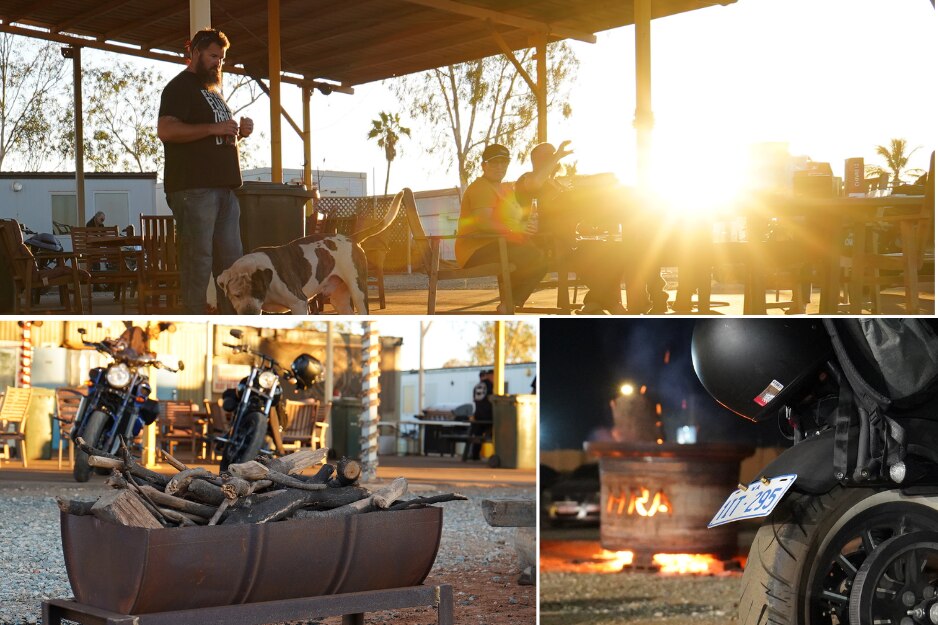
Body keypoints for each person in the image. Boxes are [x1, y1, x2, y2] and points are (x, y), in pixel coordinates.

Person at [157, 28, 253, 314]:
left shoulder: (214, 92)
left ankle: (231, 318)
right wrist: (214, 128)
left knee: (232, 262)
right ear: (195, 53)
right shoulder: (179, 87)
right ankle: (196, 317)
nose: (218, 64)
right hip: (194, 189)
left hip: (225, 189)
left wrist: (240, 132)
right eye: (213, 56)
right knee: (198, 259)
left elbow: (217, 135)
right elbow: (166, 129)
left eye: (221, 59)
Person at [455, 144, 548, 312]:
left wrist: (527, 225)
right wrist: (516, 230)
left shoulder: (504, 188)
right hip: (475, 250)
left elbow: (514, 218)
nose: (499, 167)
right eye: (494, 162)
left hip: (497, 243)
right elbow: (483, 223)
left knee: (542, 251)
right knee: (534, 255)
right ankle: (509, 304)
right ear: (484, 165)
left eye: (504, 162)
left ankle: (509, 302)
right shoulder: (481, 188)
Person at [466, 369, 494, 461]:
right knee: (497, 432)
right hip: (489, 416)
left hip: (478, 415)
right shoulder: (491, 385)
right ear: (491, 375)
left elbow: (475, 400)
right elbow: (492, 399)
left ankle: (475, 455)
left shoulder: (477, 386)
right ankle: (500, 455)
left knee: (477, 435)